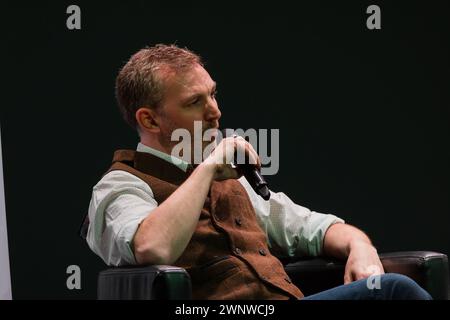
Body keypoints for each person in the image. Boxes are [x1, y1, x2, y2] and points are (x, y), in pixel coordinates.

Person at [85, 44, 431, 300]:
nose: (215, 112)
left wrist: (360, 245)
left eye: (213, 95)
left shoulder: (234, 184)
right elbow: (152, 248)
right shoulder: (120, 186)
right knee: (392, 291)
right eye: (194, 102)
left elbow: (309, 227)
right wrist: (206, 169)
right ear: (149, 119)